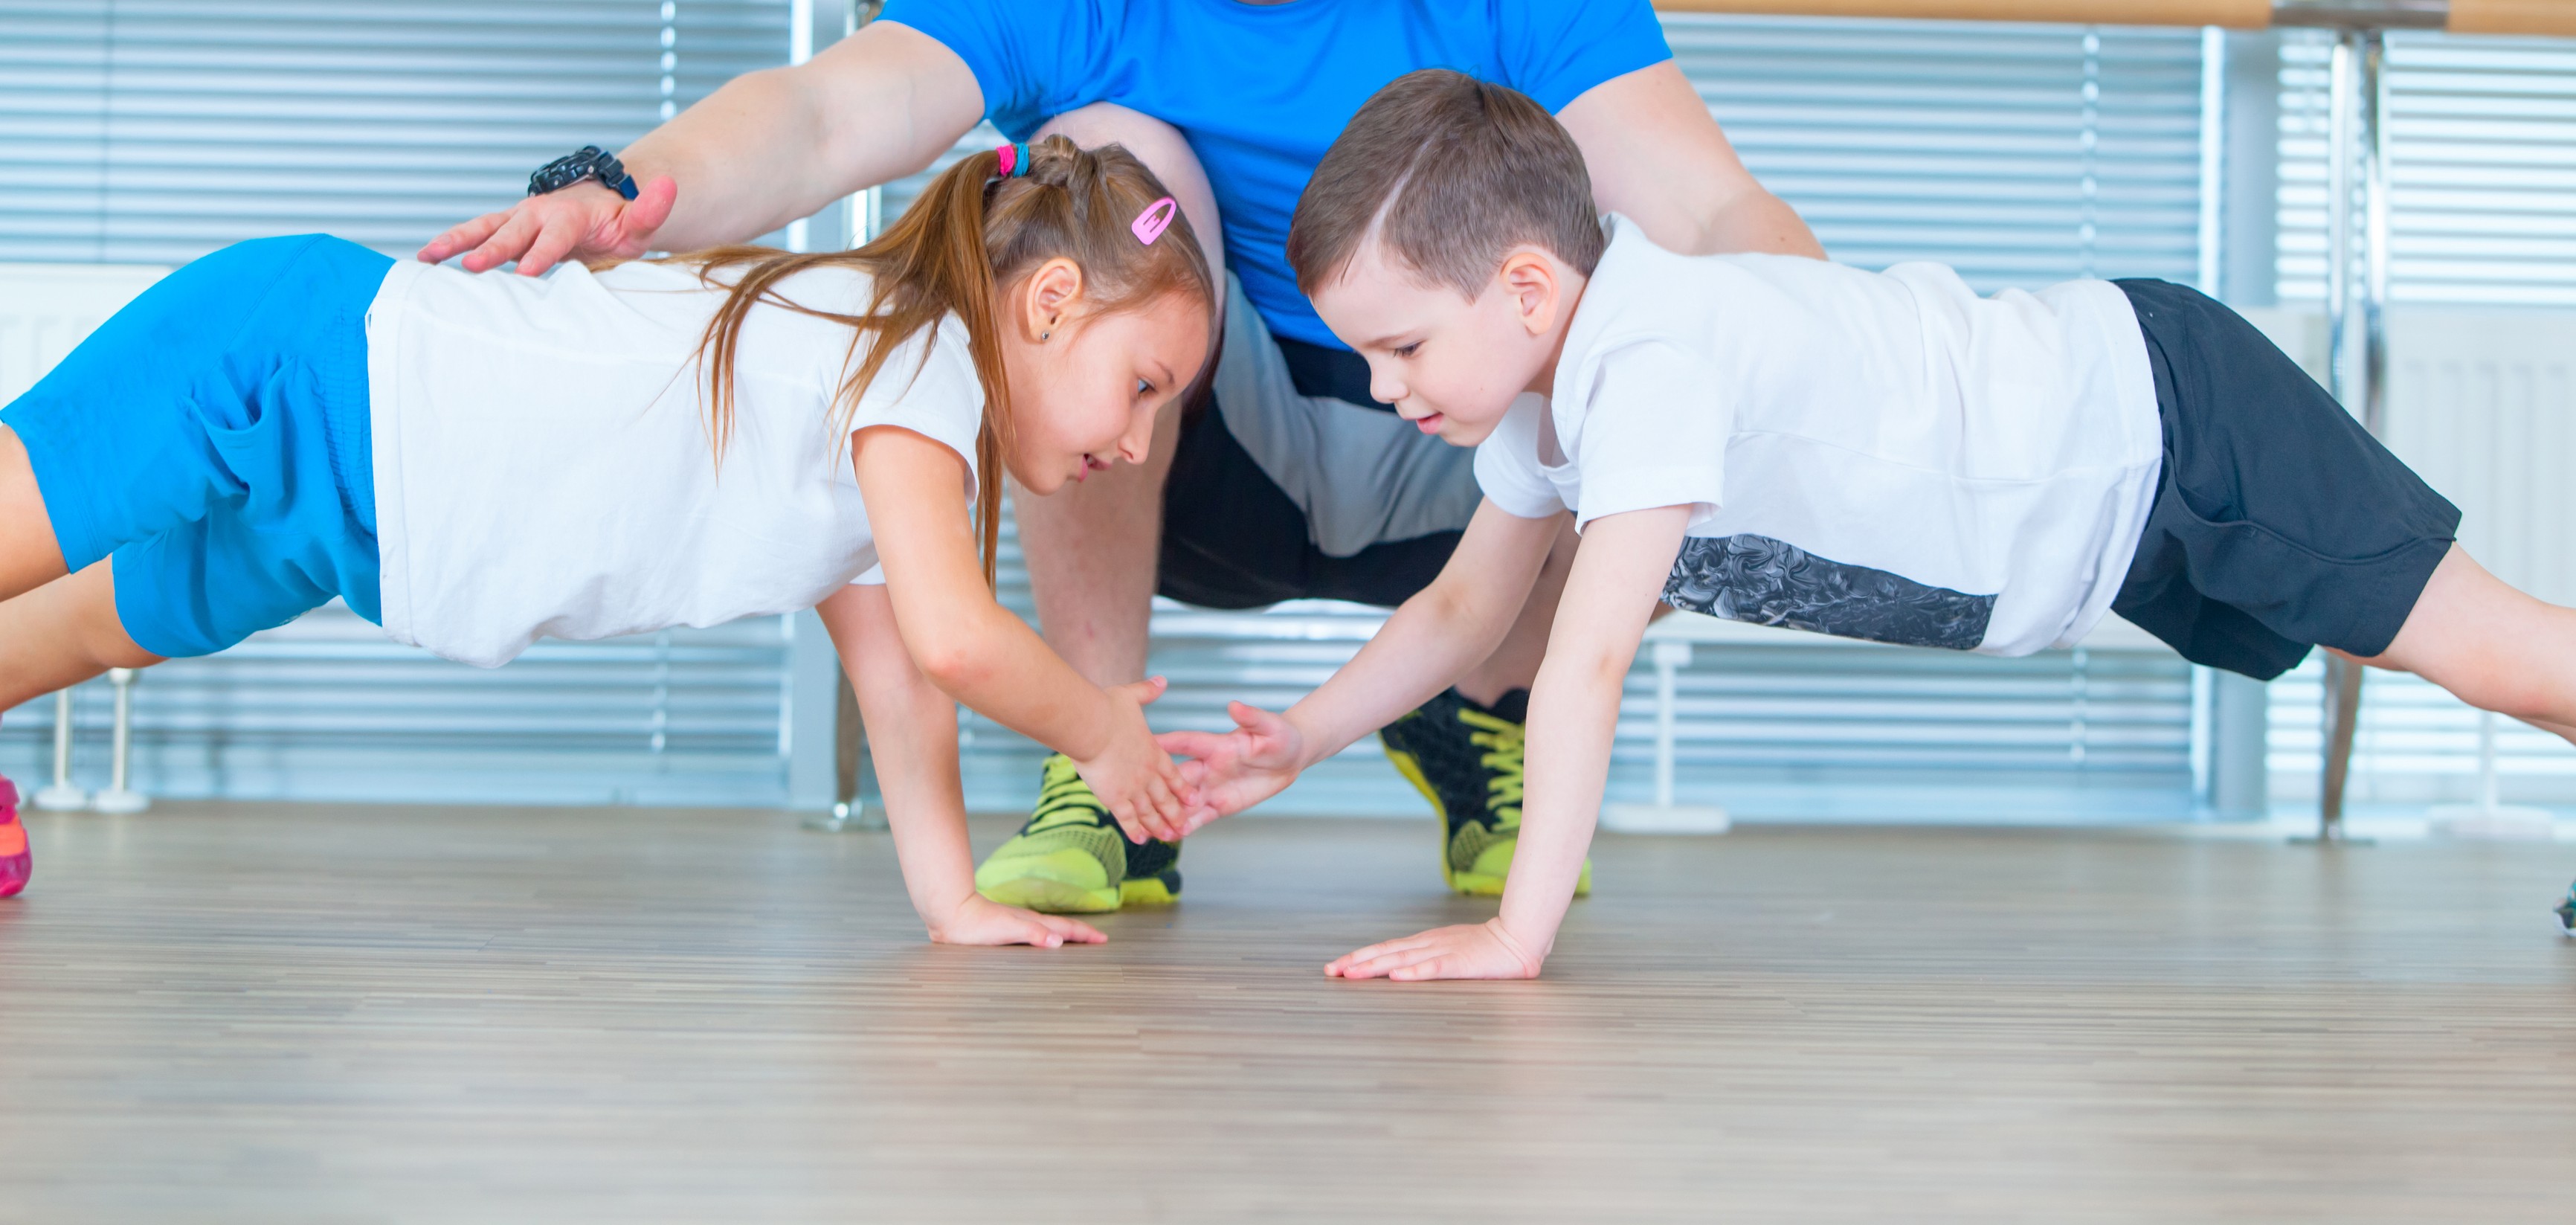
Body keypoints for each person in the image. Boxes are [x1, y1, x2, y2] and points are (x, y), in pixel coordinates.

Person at [416, 1, 1825, 914]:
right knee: (1107, 152)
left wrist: (1841, 368)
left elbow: (1710, 210)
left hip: (1457, 482)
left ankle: (1479, 710)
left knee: (1637, 299)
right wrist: (621, 186)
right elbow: (827, 112)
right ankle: (1105, 767)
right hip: (1201, 453)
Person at [1168, 70, 2576, 980]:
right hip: (2116, 505)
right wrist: (1302, 736)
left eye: (1401, 348)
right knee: (2441, 657)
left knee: (2499, 657)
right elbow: (1464, 616)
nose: (1379, 387)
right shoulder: (1550, 407)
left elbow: (1583, 663)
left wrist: (1512, 937)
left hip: (2166, 428)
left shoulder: (1649, 362)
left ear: (1529, 291)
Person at [0, 139, 1217, 942]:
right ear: (1051, 303)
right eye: (1147, 385)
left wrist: (949, 899)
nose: (1141, 445)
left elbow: (901, 677)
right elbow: (957, 640)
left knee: (94, 630)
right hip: (308, 362)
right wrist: (1099, 726)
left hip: (357, 522)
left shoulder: (882, 437)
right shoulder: (915, 358)